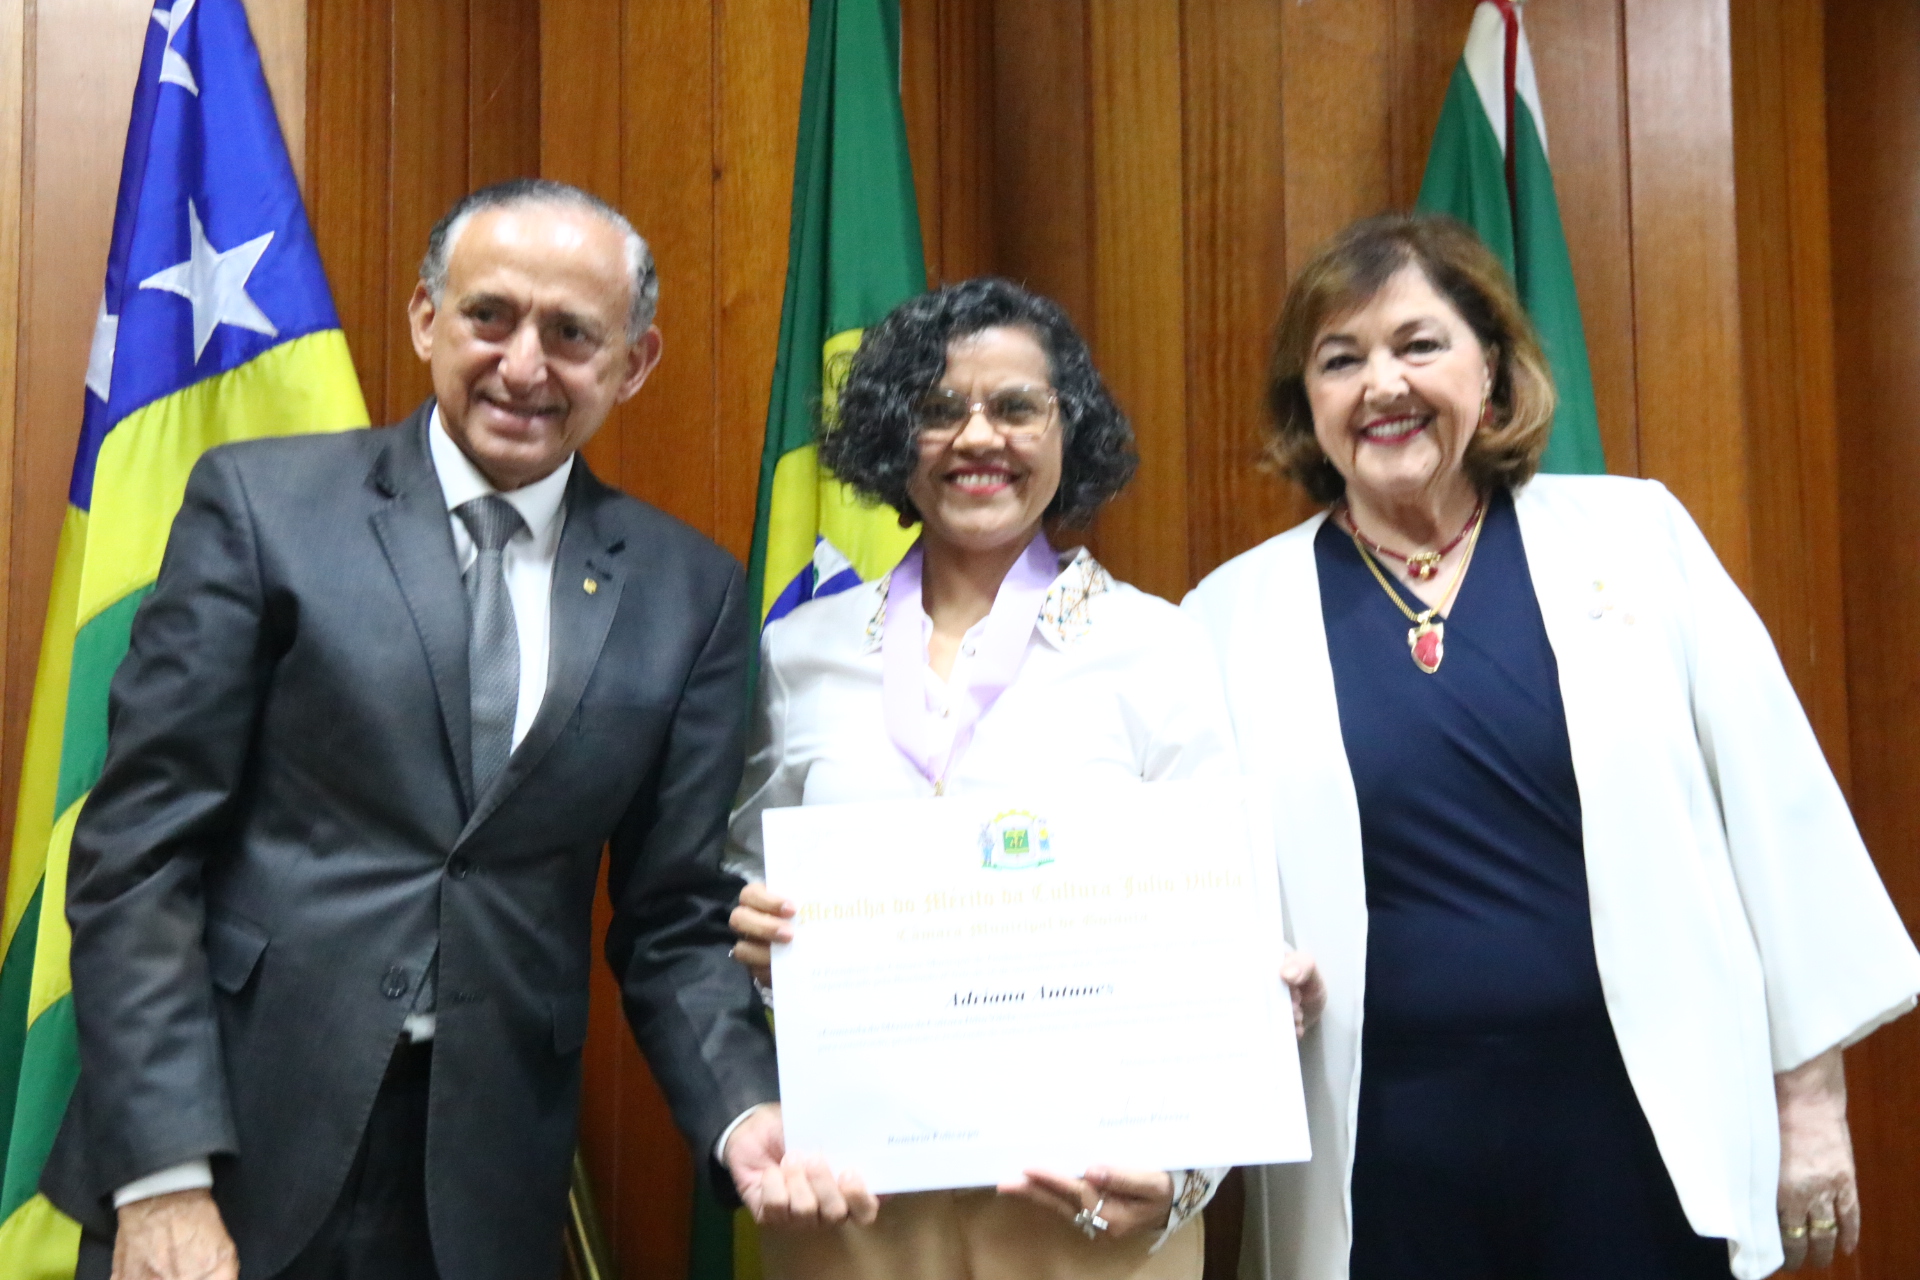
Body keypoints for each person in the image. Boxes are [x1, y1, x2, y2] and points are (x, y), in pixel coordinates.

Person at [43, 179, 864, 1280]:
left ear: (634, 362)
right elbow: (139, 854)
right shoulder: (262, 508)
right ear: (427, 317)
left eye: (571, 334)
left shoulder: (689, 593)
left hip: (484, 1182)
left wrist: (741, 1110)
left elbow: (672, 916)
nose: (524, 366)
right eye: (491, 316)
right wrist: (162, 1177)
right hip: (229, 1141)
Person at [1183, 213, 1920, 1280]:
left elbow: (1779, 813)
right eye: (1340, 360)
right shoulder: (1229, 616)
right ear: (1308, 401)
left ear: (1491, 367)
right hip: (1382, 1150)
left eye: (1418, 344)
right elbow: (1201, 887)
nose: (1382, 384)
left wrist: (1811, 1104)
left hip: (1633, 1129)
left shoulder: (1636, 539)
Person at [724, 276, 1324, 1280]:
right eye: (938, 409)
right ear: (892, 434)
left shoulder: (1156, 645)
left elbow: (1231, 944)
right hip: (859, 1213)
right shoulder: (802, 650)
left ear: (1067, 429)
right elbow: (742, 893)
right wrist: (754, 932)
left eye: (1014, 407)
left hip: (1087, 1213)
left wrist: (1181, 1179)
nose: (977, 437)